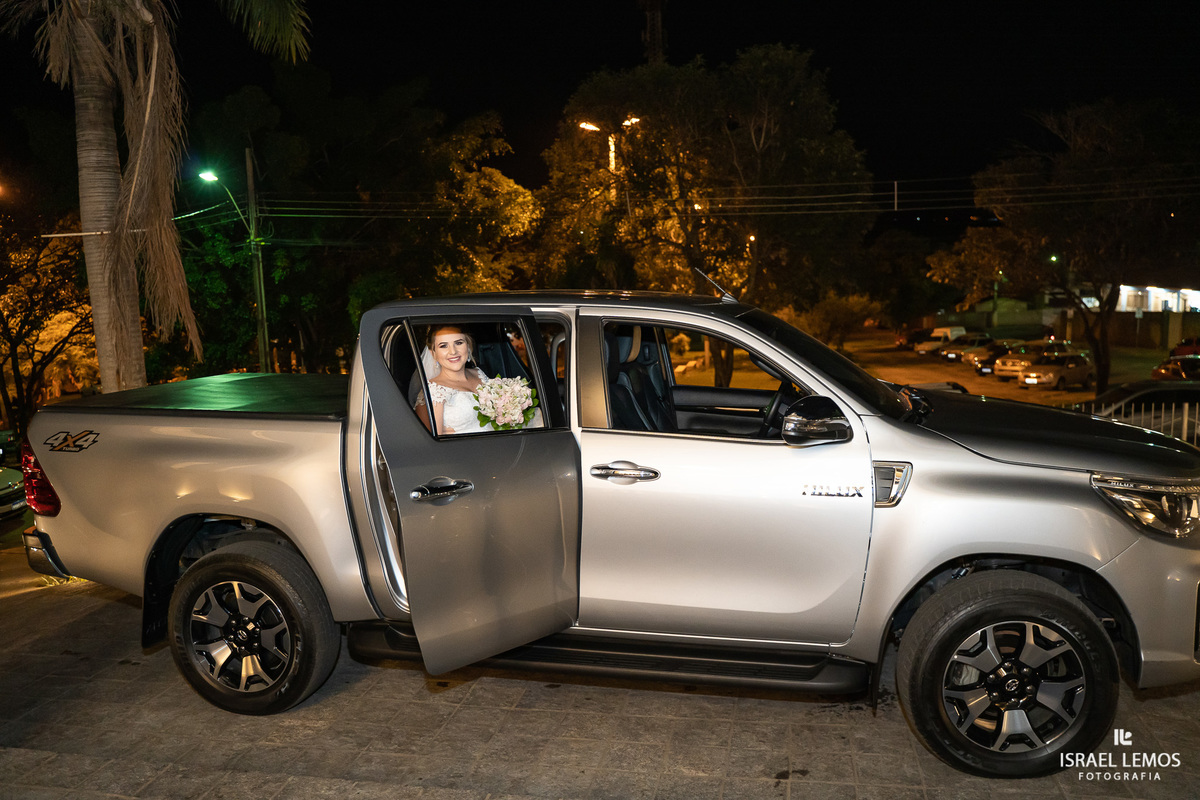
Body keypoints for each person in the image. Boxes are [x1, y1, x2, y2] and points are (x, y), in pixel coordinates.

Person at [414, 325, 488, 435]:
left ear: (468, 346)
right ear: (433, 353)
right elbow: (436, 445)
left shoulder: (479, 373)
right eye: (443, 346)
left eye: (458, 343)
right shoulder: (435, 390)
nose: (453, 352)